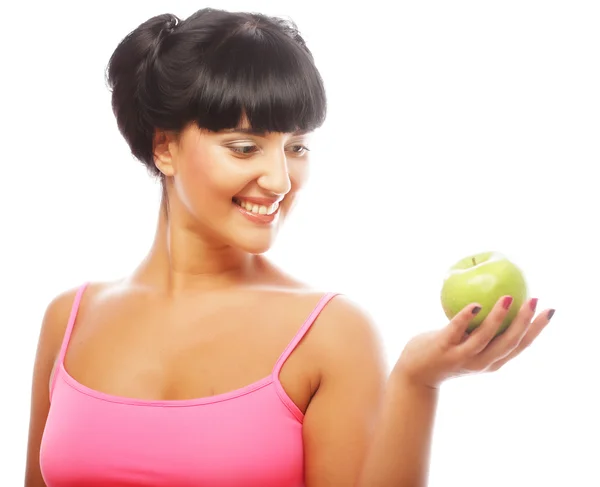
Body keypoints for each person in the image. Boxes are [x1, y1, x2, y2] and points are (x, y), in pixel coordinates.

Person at [24, 7, 555, 487]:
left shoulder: (330, 335)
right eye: (245, 146)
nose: (279, 179)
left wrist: (418, 381)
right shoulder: (69, 319)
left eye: (296, 146)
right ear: (165, 146)